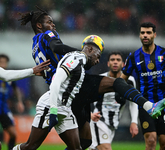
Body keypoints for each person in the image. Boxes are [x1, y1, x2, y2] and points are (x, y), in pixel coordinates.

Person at [16, 6, 165, 150]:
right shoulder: (48, 35)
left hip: (68, 96)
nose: (53, 25)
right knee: (117, 82)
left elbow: (50, 67)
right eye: (49, 22)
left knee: (85, 141)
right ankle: (149, 106)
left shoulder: (34, 47)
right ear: (39, 25)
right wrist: (81, 53)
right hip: (70, 86)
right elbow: (56, 47)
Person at [121, 22, 165, 150]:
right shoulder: (134, 57)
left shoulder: (163, 53)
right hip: (146, 104)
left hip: (163, 104)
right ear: (139, 35)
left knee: (163, 142)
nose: (145, 35)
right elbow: (122, 80)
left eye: (148, 32)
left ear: (154, 35)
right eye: (142, 33)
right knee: (151, 140)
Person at [88, 52, 139, 150]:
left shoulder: (129, 81)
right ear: (108, 63)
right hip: (99, 120)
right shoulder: (100, 79)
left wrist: (134, 122)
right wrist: (89, 114)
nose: (115, 62)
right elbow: (85, 98)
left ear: (123, 64)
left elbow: (133, 102)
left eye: (118, 60)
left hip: (113, 124)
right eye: (112, 60)